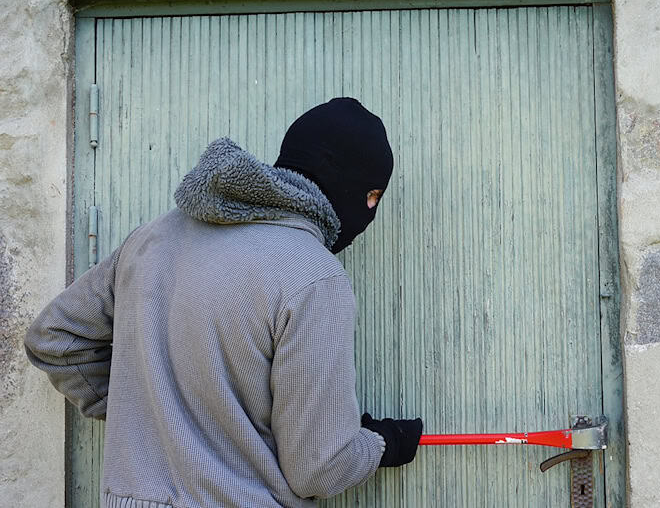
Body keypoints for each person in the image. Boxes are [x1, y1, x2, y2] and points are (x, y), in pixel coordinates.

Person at [24, 97, 422, 507]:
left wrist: (150, 410)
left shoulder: (152, 238)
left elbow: (55, 340)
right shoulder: (314, 276)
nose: (370, 210)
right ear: (345, 181)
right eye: (372, 194)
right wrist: (383, 443)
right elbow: (318, 467)